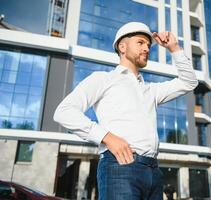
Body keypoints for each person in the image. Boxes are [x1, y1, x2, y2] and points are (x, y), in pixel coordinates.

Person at [53, 22, 198, 200]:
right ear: (122, 47)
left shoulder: (151, 90)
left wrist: (174, 48)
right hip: (120, 167)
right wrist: (107, 137)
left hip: (153, 171)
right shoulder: (103, 79)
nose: (146, 48)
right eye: (140, 43)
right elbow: (63, 111)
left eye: (148, 45)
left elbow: (189, 82)